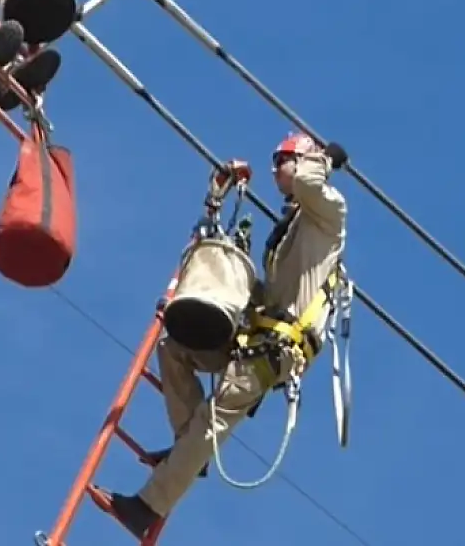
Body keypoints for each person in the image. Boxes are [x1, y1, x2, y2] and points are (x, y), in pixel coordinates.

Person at [95, 132, 349, 537]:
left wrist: (323, 157)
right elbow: (272, 295)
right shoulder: (295, 228)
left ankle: (147, 507)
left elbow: (309, 182)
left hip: (275, 351)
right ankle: (188, 453)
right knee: (173, 348)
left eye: (282, 158)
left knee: (213, 419)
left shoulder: (328, 213)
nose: (274, 169)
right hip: (257, 336)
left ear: (305, 160)